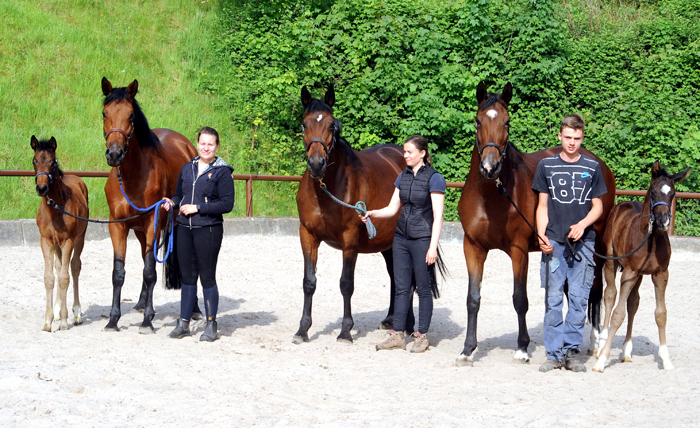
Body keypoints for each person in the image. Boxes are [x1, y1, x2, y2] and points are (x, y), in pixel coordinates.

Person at [532, 113, 608, 372]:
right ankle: (553, 354)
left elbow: (597, 207)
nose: (572, 142)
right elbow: (542, 206)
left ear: (582, 137)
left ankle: (571, 352)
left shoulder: (592, 167)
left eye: (577, 138)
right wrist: (541, 234)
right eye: (568, 137)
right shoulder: (546, 166)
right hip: (554, 241)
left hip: (584, 243)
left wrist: (583, 224)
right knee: (553, 299)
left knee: (578, 299)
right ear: (560, 136)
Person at [361, 135, 446, 353]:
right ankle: (397, 333)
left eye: (409, 152)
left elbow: (438, 216)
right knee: (401, 287)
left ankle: (421, 336)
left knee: (424, 289)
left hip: (422, 239)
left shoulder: (434, 179)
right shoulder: (403, 177)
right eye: (405, 152)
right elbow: (392, 207)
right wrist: (373, 213)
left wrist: (433, 246)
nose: (405, 155)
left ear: (422, 154)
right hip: (401, 238)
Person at [162, 126, 235, 342]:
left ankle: (211, 323)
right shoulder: (187, 168)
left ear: (216, 146)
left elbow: (227, 204)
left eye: (210, 144)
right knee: (188, 277)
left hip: (209, 229)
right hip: (184, 228)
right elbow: (178, 196)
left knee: (207, 277)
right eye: (202, 143)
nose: (206, 148)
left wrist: (198, 208)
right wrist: (171, 202)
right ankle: (184, 322)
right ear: (198, 144)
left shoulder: (222, 172)